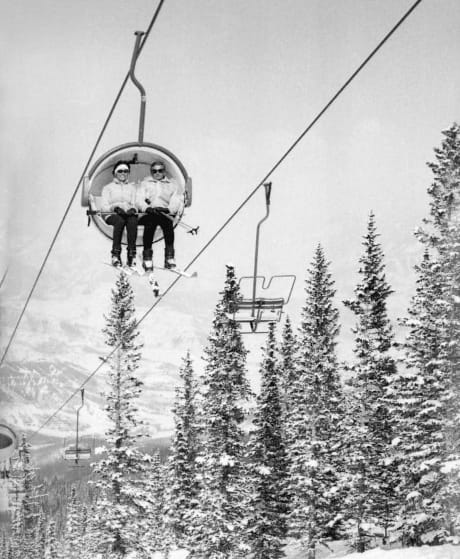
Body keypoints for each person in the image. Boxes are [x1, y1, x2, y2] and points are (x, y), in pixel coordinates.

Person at [137, 160, 184, 270]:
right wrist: (147, 208)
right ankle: (147, 258)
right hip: (149, 214)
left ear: (164, 172)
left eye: (160, 171)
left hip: (163, 213)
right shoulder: (145, 184)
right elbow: (139, 199)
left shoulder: (171, 185)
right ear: (151, 172)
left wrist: (168, 209)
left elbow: (176, 200)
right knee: (150, 224)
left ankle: (169, 257)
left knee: (168, 225)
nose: (157, 173)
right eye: (154, 171)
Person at [101, 160, 138, 267]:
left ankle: (131, 254)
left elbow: (134, 203)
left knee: (133, 220)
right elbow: (104, 206)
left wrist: (133, 209)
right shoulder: (108, 188)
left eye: (126, 171)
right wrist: (115, 208)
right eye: (120, 171)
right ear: (115, 173)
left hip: (126, 213)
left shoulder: (132, 188)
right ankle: (115, 254)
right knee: (119, 221)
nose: (123, 173)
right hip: (112, 214)